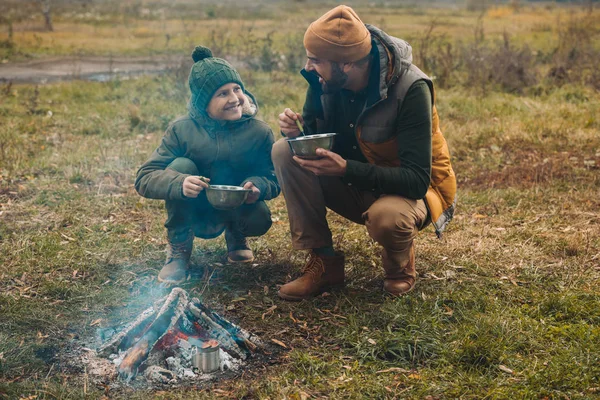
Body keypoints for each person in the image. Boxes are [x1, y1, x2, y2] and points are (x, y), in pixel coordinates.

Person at [273, 5, 456, 300]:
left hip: (407, 194)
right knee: (285, 151)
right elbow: (317, 139)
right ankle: (324, 263)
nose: (308, 68)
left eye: (315, 60)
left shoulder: (411, 89)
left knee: (389, 217)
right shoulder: (323, 81)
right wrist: (297, 135)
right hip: (352, 180)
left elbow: (416, 181)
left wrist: (346, 169)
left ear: (346, 64)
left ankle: (399, 266)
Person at [135, 46, 280, 285]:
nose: (234, 99)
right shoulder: (181, 129)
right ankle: (179, 251)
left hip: (238, 208)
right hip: (195, 209)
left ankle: (237, 236)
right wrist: (179, 183)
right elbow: (144, 177)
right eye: (222, 94)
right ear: (204, 102)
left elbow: (272, 176)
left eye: (237, 89)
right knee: (181, 165)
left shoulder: (259, 131)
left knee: (260, 217)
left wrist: (260, 186)